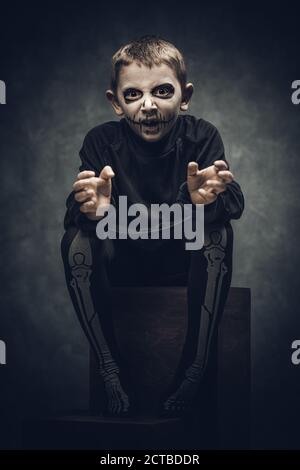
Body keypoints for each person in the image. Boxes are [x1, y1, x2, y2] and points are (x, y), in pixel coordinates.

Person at [61, 35, 244, 418]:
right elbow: (74, 212)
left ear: (184, 95)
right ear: (115, 101)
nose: (148, 106)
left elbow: (234, 203)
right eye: (133, 95)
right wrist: (93, 211)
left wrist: (203, 200)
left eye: (162, 91)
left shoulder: (202, 135)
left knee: (219, 234)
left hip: (181, 262)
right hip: (123, 263)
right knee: (76, 240)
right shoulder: (101, 141)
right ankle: (110, 367)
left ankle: (195, 367)